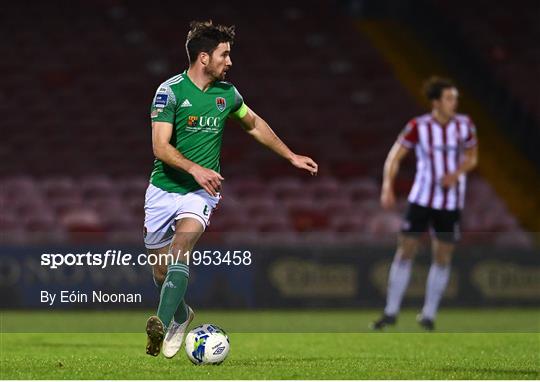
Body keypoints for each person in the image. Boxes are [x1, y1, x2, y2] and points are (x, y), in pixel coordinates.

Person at [143, 20, 318, 357]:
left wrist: (290, 155)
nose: (230, 61)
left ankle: (160, 325)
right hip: (164, 189)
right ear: (204, 58)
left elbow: (253, 124)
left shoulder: (228, 95)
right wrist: (194, 169)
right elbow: (160, 147)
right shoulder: (170, 91)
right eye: (225, 55)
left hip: (201, 192)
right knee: (161, 270)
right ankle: (182, 316)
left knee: (182, 245)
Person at [371, 76, 478, 331]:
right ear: (436, 101)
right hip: (421, 199)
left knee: (442, 256)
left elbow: (473, 158)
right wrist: (387, 186)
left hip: (450, 202)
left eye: (455, 98)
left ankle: (429, 314)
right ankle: (391, 311)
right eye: (450, 98)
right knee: (406, 250)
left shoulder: (465, 125)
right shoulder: (418, 126)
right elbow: (394, 157)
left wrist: (456, 173)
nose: (455, 103)